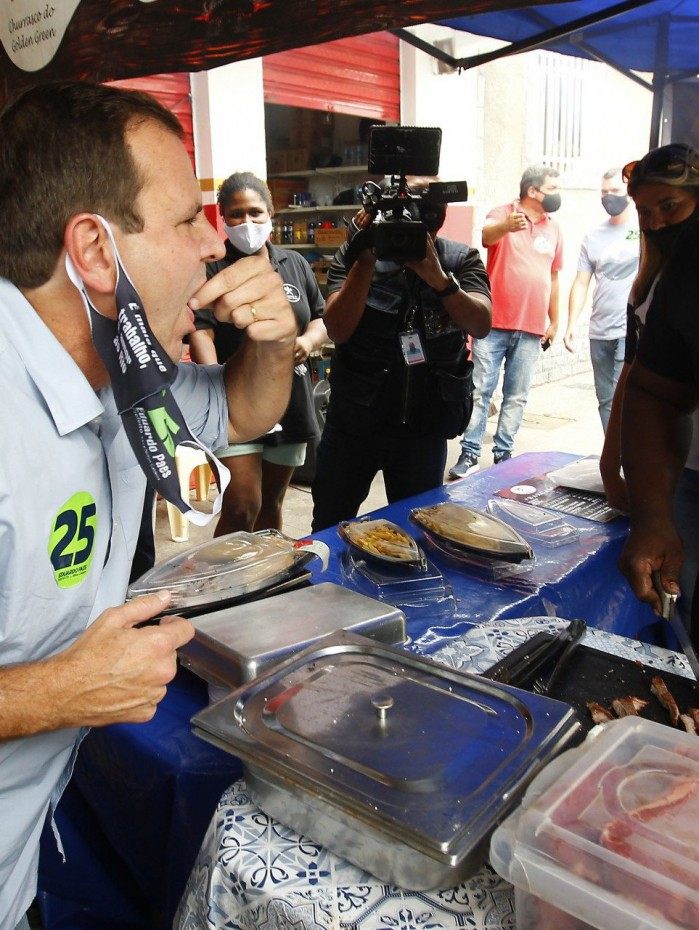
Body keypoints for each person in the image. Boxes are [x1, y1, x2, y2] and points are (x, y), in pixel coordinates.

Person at [0, 81, 296, 930]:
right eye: (182, 221)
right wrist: (58, 692)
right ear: (94, 250)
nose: (214, 243)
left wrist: (274, 341)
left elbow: (244, 411)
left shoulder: (122, 370)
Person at [310, 177, 492, 532]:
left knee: (422, 530)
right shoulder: (355, 255)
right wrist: (364, 260)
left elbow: (481, 323)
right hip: (354, 424)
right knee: (330, 524)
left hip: (423, 428)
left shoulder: (459, 259)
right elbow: (338, 328)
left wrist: (438, 278)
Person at [189, 172, 327, 535]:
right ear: (223, 218)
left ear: (271, 215)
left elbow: (319, 318)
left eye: (255, 212)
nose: (246, 222)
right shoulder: (212, 268)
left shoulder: (294, 265)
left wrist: (308, 342)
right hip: (234, 402)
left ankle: (264, 579)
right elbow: (200, 331)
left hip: (290, 399)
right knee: (241, 504)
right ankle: (226, 582)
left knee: (272, 504)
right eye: (236, 214)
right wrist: (215, 383)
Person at [607, 144, 699, 646]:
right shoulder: (680, 270)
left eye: (671, 207)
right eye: (647, 210)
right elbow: (649, 385)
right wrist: (653, 517)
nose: (659, 221)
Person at [449, 165, 563, 479]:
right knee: (480, 390)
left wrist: (555, 320)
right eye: (553, 187)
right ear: (534, 191)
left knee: (516, 395)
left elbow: (554, 276)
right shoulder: (503, 213)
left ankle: (504, 456)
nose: (557, 193)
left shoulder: (554, 228)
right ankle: (470, 454)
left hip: (531, 327)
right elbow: (486, 235)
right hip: (494, 323)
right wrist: (506, 227)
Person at [564, 167, 639, 431]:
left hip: (628, 329)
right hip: (599, 331)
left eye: (615, 191)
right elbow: (581, 282)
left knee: (624, 398)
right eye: (604, 192)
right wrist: (571, 324)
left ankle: (628, 458)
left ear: (629, 192)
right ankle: (613, 456)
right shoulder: (593, 236)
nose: (609, 197)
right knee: (606, 399)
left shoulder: (642, 231)